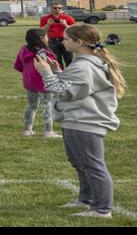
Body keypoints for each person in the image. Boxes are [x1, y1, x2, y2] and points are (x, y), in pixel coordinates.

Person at [33, 24, 126, 219]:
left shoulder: (84, 66)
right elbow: (69, 86)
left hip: (85, 121)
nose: (62, 42)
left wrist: (45, 72)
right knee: (80, 163)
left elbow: (64, 92)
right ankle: (86, 199)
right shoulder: (83, 62)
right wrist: (57, 70)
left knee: (92, 165)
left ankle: (102, 209)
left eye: (66, 39)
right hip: (76, 119)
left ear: (79, 42)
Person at [16, 28, 60, 138]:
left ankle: (27, 130)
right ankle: (48, 131)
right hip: (44, 81)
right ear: (42, 38)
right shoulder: (45, 53)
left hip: (29, 82)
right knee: (47, 105)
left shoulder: (23, 50)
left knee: (31, 105)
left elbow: (18, 66)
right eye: (46, 36)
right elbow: (53, 68)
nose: (48, 38)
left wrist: (28, 73)